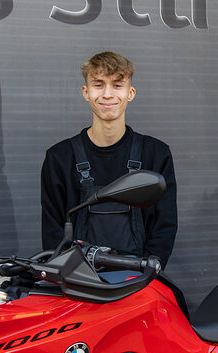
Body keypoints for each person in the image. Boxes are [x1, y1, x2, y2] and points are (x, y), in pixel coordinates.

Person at [41, 51, 178, 265]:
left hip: (139, 282)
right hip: (80, 283)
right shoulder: (59, 159)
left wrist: (144, 273)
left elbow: (165, 227)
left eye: (117, 85)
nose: (107, 94)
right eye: (98, 84)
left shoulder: (156, 154)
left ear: (130, 93)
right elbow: (52, 233)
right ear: (85, 92)